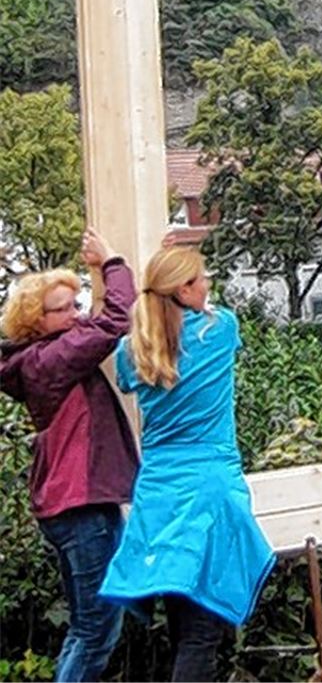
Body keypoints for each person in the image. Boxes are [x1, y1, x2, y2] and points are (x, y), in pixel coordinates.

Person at [98, 245, 275, 682]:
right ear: (183, 289)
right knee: (201, 634)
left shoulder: (132, 352)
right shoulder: (220, 330)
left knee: (183, 627)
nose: (209, 284)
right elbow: (210, 321)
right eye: (201, 279)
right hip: (210, 492)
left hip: (158, 493)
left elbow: (128, 365)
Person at [0, 230, 138, 683]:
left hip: (74, 503)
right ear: (36, 320)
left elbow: (98, 326)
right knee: (96, 631)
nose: (78, 315)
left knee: (85, 629)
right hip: (80, 504)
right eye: (66, 309)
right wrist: (111, 262)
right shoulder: (51, 361)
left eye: (78, 304)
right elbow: (116, 318)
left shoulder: (40, 357)